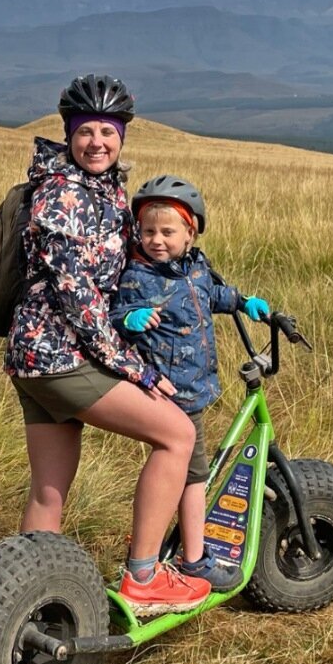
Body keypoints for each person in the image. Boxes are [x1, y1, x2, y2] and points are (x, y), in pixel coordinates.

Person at [5, 74, 210, 616]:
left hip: (35, 361)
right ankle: (144, 577)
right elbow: (78, 299)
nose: (97, 141)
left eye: (108, 131)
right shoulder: (64, 194)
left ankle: (27, 603)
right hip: (61, 358)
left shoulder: (106, 189)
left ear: (122, 136)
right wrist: (136, 371)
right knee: (177, 434)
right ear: (69, 135)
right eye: (86, 131)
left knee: (49, 491)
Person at [111, 175, 271, 592]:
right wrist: (130, 320)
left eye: (167, 232)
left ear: (190, 232)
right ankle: (195, 559)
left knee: (188, 472)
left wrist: (243, 301)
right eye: (148, 232)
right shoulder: (137, 276)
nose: (156, 240)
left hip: (195, 387)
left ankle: (173, 544)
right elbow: (113, 316)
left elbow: (212, 295)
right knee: (194, 476)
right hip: (169, 392)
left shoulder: (194, 268)